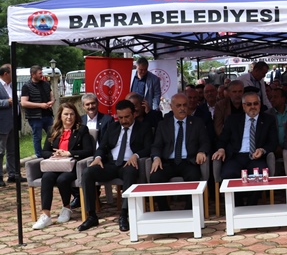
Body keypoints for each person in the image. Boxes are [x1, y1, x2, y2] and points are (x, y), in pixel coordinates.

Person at [77, 100, 153, 232]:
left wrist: (136, 155)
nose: (123, 121)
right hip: (111, 164)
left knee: (130, 172)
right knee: (87, 173)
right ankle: (92, 216)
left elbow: (149, 148)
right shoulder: (113, 127)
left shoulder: (143, 127)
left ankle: (124, 214)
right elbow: (102, 146)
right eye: (120, 117)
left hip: (128, 163)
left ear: (134, 114)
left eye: (127, 117)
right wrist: (98, 157)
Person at [33, 103, 95, 229]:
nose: (69, 117)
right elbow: (44, 152)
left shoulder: (81, 130)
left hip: (72, 166)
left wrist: (69, 153)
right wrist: (54, 154)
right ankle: (46, 215)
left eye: (72, 114)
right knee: (47, 178)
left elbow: (88, 151)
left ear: (75, 116)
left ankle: (66, 208)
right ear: (60, 116)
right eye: (66, 114)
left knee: (63, 179)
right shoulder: (53, 130)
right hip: (55, 164)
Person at [213, 91, 278, 205]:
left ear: (260, 104)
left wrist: (262, 150)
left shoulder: (269, 120)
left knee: (260, 174)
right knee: (228, 173)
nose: (252, 107)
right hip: (236, 156)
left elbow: (273, 142)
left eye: (255, 103)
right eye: (249, 104)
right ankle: (238, 204)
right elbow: (223, 139)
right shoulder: (233, 120)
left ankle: (251, 204)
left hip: (257, 157)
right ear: (243, 106)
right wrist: (221, 149)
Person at [149, 94, 211, 205]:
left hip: (188, 162)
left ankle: (190, 210)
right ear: (171, 107)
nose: (182, 108)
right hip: (167, 162)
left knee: (194, 176)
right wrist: (156, 157)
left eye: (184, 105)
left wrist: (202, 151)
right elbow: (156, 145)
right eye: (178, 106)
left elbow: (205, 142)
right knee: (155, 177)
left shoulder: (197, 123)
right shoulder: (163, 125)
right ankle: (164, 210)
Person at [21, 65, 54, 158]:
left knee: (54, 135)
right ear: (33, 74)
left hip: (48, 115)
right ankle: (39, 156)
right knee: (37, 137)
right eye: (39, 73)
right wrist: (40, 105)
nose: (41, 75)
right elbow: (24, 103)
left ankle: (52, 153)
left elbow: (52, 96)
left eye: (41, 72)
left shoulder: (46, 84)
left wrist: (51, 102)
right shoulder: (27, 86)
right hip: (35, 117)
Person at [0, 65, 16, 186]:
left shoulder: (11, 86)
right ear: (6, 73)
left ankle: (13, 174)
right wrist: (7, 102)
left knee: (12, 151)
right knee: (0, 152)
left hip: (13, 123)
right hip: (2, 124)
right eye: (12, 72)